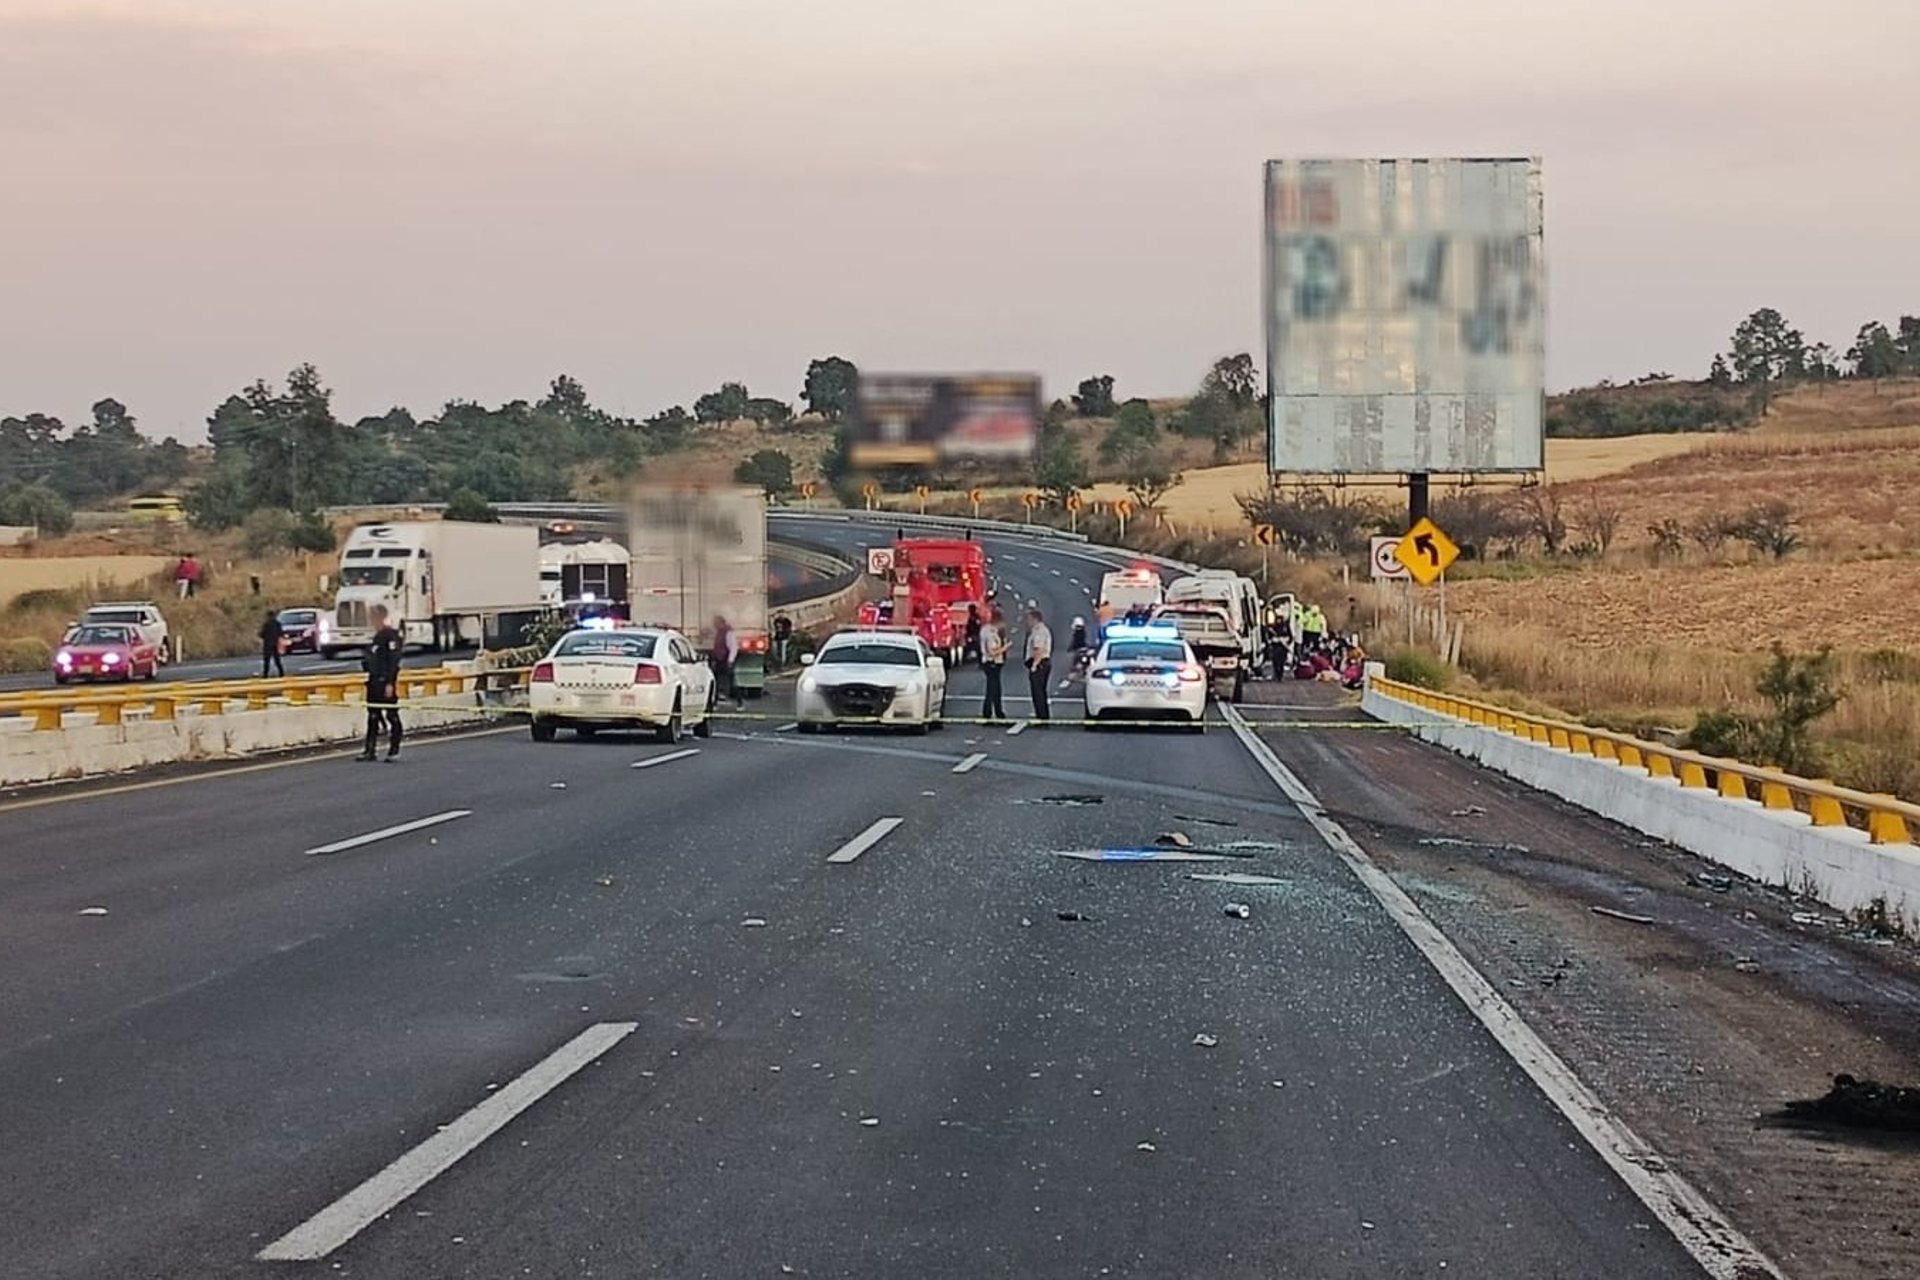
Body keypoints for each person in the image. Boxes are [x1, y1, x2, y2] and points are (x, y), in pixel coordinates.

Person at [358, 603, 403, 762]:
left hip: (385, 682)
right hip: (374, 681)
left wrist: (390, 682)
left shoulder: (391, 636)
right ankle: (370, 750)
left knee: (392, 715)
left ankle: (394, 749)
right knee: (373, 717)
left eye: (375, 618)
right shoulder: (376, 638)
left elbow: (393, 661)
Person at [979, 606, 1009, 722]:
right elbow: (992, 652)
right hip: (992, 663)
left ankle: (997, 712)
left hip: (993, 663)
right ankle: (988, 713)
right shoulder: (990, 632)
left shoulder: (988, 629)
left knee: (996, 688)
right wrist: (1005, 648)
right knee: (992, 689)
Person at [1024, 607, 1053, 722]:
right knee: (1040, 691)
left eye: (1029, 619)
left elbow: (1038, 649)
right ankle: (1042, 715)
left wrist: (1034, 665)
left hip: (1040, 664)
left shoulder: (1039, 631)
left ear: (1034, 619)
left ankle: (1041, 716)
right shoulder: (1041, 630)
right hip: (1042, 663)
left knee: (1038, 692)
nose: (1028, 622)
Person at [710, 614, 742, 708]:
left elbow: (733, 647)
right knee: (715, 682)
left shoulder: (728, 632)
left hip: (726, 660)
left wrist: (730, 660)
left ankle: (740, 702)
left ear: (721, 623)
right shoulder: (719, 632)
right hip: (719, 660)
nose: (714, 625)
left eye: (716, 623)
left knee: (730, 682)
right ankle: (714, 703)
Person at [258, 608, 286, 678]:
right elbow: (281, 633)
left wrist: (264, 636)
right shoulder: (278, 624)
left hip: (267, 644)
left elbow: (261, 634)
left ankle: (265, 675)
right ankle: (281, 673)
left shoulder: (266, 624)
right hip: (276, 644)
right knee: (277, 660)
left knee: (267, 661)